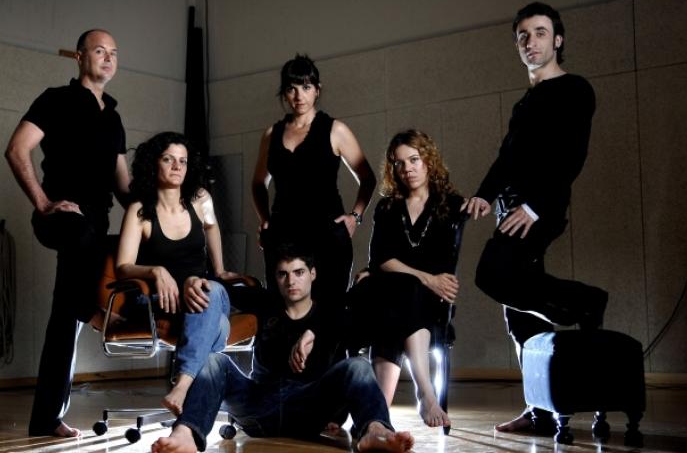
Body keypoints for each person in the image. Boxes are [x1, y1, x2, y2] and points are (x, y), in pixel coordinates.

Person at [460, 2, 607, 433]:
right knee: (517, 314)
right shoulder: (525, 103)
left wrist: (535, 206)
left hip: (538, 207)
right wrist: (484, 196)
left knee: (492, 274)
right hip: (510, 208)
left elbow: (572, 155)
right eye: (523, 35)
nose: (531, 41)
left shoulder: (575, 89)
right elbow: (507, 158)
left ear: (557, 40)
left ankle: (585, 301)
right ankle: (540, 411)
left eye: (540, 32)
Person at [150, 244, 415, 453]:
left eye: (299, 272)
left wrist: (314, 332)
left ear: (312, 274)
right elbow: (219, 289)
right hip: (257, 408)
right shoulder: (265, 301)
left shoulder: (331, 313)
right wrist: (193, 280)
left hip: (307, 409)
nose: (291, 281)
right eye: (283, 274)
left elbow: (356, 310)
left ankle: (376, 431)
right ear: (276, 278)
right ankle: (186, 433)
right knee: (214, 361)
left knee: (358, 366)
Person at [4, 29, 130, 437]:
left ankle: (46, 419)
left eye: (113, 53)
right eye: (99, 51)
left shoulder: (113, 118)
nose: (108, 58)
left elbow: (124, 186)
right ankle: (91, 309)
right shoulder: (55, 99)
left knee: (63, 318)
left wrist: (162, 211)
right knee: (80, 234)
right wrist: (43, 202)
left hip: (96, 223)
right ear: (79, 57)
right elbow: (17, 149)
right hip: (60, 217)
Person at [116, 132, 239, 416]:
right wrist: (156, 271)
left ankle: (181, 385)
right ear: (153, 164)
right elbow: (123, 266)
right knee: (219, 326)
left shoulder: (200, 199)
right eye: (168, 159)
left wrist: (219, 269)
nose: (177, 166)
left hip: (199, 294)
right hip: (161, 301)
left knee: (210, 290)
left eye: (182, 161)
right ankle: (189, 389)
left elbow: (211, 227)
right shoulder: (140, 211)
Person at [350, 129, 463, 428]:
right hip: (394, 290)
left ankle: (379, 414)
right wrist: (425, 277)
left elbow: (440, 263)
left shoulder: (450, 204)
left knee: (401, 301)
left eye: (414, 159)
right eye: (399, 163)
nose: (407, 169)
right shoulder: (388, 207)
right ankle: (424, 393)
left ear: (428, 160)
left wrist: (420, 277)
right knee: (399, 292)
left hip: (427, 300)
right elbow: (380, 259)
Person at [251, 54, 376, 314]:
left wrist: (356, 216)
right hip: (282, 237)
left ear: (317, 90)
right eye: (292, 88)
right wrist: (265, 220)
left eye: (306, 87)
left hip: (327, 237)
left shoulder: (335, 130)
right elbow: (258, 184)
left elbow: (368, 177)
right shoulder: (272, 134)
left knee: (328, 314)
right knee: (281, 314)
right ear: (284, 93)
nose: (299, 96)